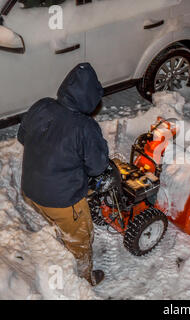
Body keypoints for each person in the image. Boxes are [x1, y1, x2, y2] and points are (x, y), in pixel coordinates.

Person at [17, 63, 109, 286]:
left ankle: (60, 232)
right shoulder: (85, 127)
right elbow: (97, 168)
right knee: (81, 237)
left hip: (30, 189)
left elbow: (22, 136)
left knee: (58, 221)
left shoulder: (42, 106)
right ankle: (85, 279)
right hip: (61, 200)